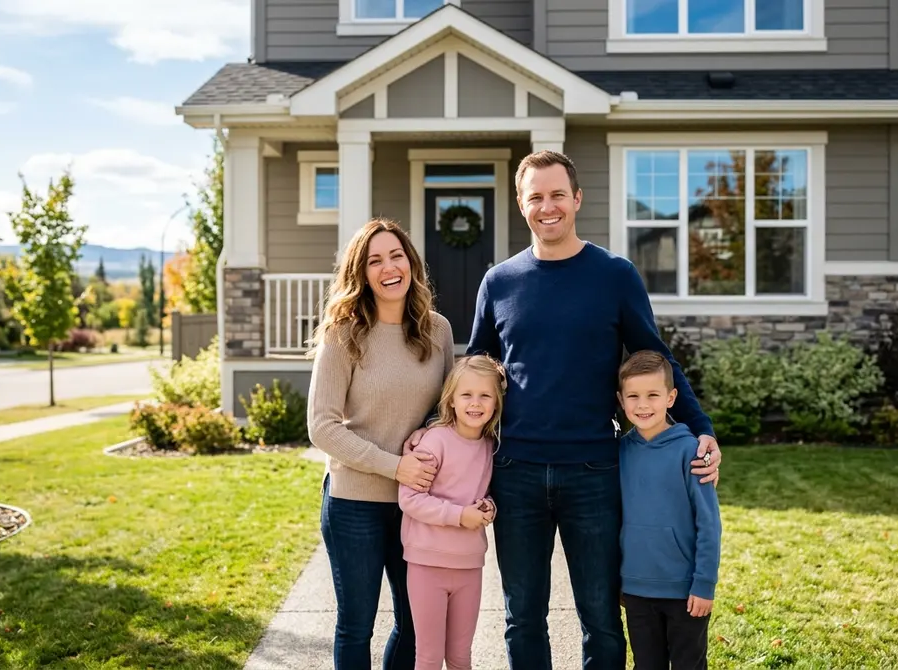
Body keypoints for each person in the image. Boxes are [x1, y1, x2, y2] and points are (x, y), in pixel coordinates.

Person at [406, 150, 723, 669]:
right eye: (535, 197)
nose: (547, 206)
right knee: (522, 616)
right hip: (517, 471)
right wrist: (435, 430)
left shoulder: (614, 275)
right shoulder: (499, 281)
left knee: (599, 615)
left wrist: (701, 426)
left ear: (577, 198)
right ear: (520, 203)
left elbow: (655, 358)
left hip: (594, 470)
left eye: (557, 195)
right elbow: (476, 372)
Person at [307, 217, 455, 670]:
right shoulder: (344, 334)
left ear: (410, 263)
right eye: (375, 260)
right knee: (357, 625)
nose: (388, 268)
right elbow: (322, 426)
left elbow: (445, 410)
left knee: (416, 624)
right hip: (356, 503)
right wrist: (395, 467)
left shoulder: (438, 330)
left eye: (396, 256)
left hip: (418, 504)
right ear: (361, 273)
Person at [397, 354, 505, 670]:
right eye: (466, 395)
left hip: (469, 565)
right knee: (429, 658)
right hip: (427, 563)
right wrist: (460, 516)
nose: (476, 403)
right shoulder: (434, 441)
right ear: (451, 400)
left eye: (485, 395)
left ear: (496, 402)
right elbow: (411, 499)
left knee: (460, 657)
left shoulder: (491, 445)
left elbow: (483, 493)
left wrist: (488, 507)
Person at [616, 350, 721, 670]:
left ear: (671, 397)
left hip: (685, 591)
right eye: (633, 396)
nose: (643, 405)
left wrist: (704, 584)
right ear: (621, 400)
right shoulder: (618, 452)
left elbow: (709, 524)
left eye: (653, 395)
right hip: (635, 590)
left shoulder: (691, 451)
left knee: (688, 664)